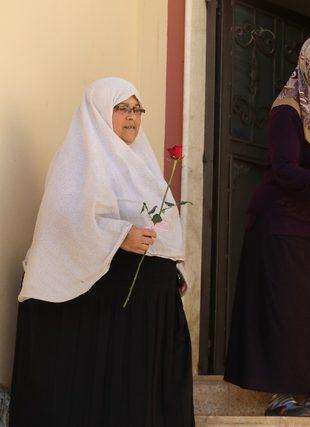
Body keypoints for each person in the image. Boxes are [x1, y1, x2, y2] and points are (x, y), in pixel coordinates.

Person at [10, 77, 194, 426]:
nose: (132, 117)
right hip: (98, 295)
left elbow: (167, 226)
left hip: (139, 300)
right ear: (98, 112)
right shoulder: (78, 159)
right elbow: (64, 217)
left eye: (137, 109)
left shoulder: (145, 164)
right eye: (122, 108)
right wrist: (121, 235)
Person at [223, 35, 310, 418]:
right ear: (305, 70)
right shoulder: (287, 111)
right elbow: (282, 169)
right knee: (286, 308)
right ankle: (280, 395)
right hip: (282, 225)